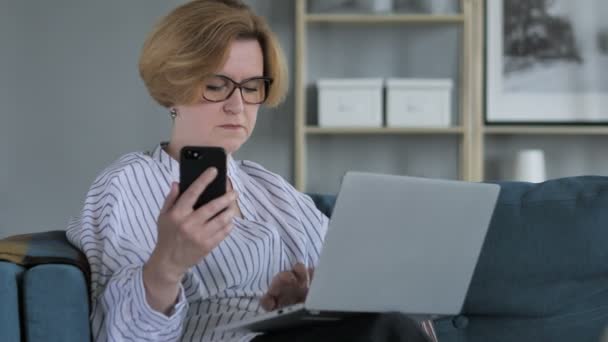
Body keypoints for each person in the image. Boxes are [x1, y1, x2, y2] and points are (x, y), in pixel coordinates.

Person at [66, 1, 435, 341]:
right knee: (388, 328)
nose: (237, 106)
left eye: (252, 87)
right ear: (173, 87)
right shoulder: (128, 184)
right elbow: (119, 335)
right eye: (216, 86)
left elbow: (351, 285)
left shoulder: (271, 190)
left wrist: (307, 301)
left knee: (392, 321)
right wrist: (166, 266)